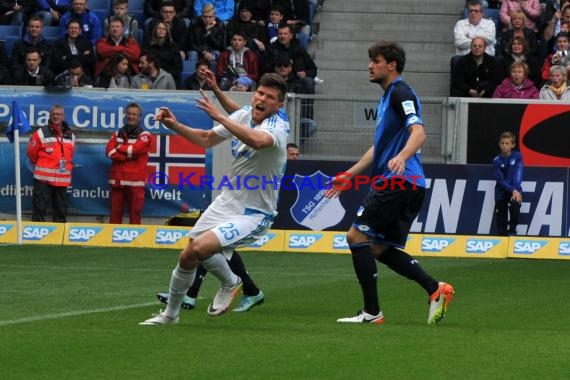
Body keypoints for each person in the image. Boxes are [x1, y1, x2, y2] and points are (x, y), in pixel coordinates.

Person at [139, 72, 289, 325]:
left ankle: (231, 281)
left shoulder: (278, 126)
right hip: (226, 202)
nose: (263, 99)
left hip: (254, 213)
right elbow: (207, 139)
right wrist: (174, 125)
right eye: (260, 93)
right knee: (187, 256)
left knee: (201, 248)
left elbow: (258, 141)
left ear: (279, 105)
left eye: (270, 97)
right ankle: (170, 315)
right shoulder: (243, 114)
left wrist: (219, 115)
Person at [325, 41, 454, 325]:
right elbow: (380, 147)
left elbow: (418, 133)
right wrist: (350, 174)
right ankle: (435, 289)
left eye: (376, 60)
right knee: (376, 248)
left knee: (356, 237)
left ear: (391, 65)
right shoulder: (387, 98)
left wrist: (402, 156)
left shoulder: (400, 93)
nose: (370, 65)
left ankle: (372, 312)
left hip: (398, 181)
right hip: (409, 184)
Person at [27, 104, 76, 222]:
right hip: (43, 179)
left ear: (63, 117)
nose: (56, 116)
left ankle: (58, 239)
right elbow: (31, 152)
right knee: (39, 209)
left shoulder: (71, 135)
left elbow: (71, 154)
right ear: (50, 116)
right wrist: (41, 165)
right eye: (54, 114)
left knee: (61, 211)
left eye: (58, 114)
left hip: (62, 181)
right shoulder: (41, 133)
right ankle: (37, 236)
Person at [106, 103, 151, 224]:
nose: (131, 116)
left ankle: (135, 242)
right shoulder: (117, 133)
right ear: (125, 115)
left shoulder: (145, 135)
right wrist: (127, 154)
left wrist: (119, 148)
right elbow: (109, 153)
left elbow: (136, 150)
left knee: (135, 216)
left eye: (134, 114)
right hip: (117, 182)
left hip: (135, 183)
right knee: (114, 215)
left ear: (139, 117)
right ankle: (111, 243)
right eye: (129, 113)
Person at [492, 131, 523, 236]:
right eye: (502, 143)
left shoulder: (517, 156)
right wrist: (512, 190)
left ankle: (513, 230)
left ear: (513, 145)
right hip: (501, 192)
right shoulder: (496, 161)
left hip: (514, 190)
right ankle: (503, 237)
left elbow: (518, 174)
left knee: (515, 204)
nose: (504, 146)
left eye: (507, 143)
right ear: (499, 144)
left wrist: (516, 190)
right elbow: (500, 180)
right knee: (501, 225)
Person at [185, 3, 226, 70]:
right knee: (192, 53)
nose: (207, 19)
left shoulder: (220, 25)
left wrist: (209, 33)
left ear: (214, 16)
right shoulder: (194, 23)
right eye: (205, 16)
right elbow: (191, 43)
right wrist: (203, 52)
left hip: (212, 50)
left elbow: (220, 46)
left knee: (217, 53)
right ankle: (192, 77)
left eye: (210, 17)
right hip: (198, 50)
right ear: (201, 16)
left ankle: (214, 76)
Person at [144, 20, 183, 88]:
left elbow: (178, 67)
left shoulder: (174, 46)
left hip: (169, 76)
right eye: (159, 28)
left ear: (167, 32)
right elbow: (145, 63)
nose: (161, 31)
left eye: (163, 29)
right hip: (151, 76)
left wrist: (164, 74)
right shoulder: (148, 46)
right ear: (155, 30)